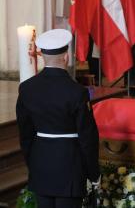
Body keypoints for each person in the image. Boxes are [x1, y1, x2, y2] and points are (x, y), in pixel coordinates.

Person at [16, 29, 100, 208]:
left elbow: (25, 135)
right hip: (69, 168)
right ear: (66, 57)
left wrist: (34, 164)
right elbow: (87, 139)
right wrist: (94, 174)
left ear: (42, 57)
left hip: (41, 166)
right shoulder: (77, 92)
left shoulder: (26, 89)